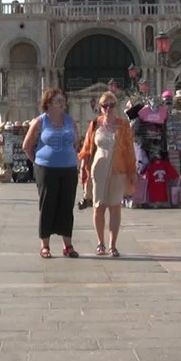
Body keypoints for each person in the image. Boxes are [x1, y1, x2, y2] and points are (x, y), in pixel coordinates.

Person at [22, 88, 80, 259]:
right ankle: (45, 245)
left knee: (67, 206)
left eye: (63, 100)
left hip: (68, 168)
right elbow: (27, 145)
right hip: (46, 169)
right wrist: (38, 162)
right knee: (48, 205)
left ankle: (67, 245)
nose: (62, 103)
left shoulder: (70, 121)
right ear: (48, 104)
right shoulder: (40, 121)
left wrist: (69, 156)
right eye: (57, 100)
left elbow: (77, 142)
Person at [78, 91, 135, 257]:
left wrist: (132, 171)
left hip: (119, 169)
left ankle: (113, 245)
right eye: (104, 105)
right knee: (99, 206)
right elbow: (87, 148)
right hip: (99, 169)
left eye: (111, 105)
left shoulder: (123, 125)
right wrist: (82, 167)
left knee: (115, 206)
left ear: (116, 106)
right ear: (100, 107)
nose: (108, 108)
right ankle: (100, 243)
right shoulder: (95, 124)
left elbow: (130, 150)